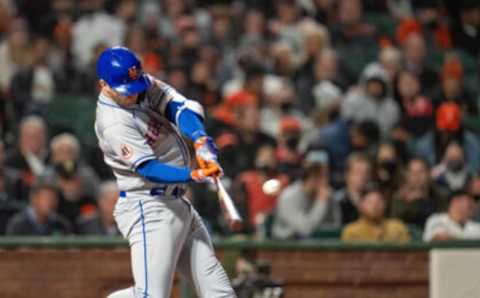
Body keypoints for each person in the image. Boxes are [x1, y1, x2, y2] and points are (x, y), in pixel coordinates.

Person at [94, 47, 235, 298]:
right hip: (149, 206)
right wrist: (194, 175)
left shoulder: (139, 82)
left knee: (220, 294)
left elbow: (177, 107)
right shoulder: (113, 121)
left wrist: (199, 139)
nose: (133, 94)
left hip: (176, 202)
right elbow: (149, 169)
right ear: (104, 84)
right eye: (126, 90)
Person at [272, 150, 341, 239]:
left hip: (316, 247)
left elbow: (336, 225)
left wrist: (328, 201)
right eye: (316, 174)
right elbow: (305, 229)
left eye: (324, 175)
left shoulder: (327, 195)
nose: (322, 180)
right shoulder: (289, 197)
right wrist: (321, 201)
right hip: (283, 248)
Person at [341, 183, 411, 243]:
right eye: (370, 202)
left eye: (379, 201)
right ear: (361, 205)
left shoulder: (398, 228)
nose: (375, 206)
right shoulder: (351, 232)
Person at [391, 158, 448, 228]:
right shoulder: (399, 197)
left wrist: (423, 201)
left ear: (428, 173)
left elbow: (443, 221)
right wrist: (412, 204)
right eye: (413, 173)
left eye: (421, 172)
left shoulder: (440, 195)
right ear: (407, 176)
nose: (417, 176)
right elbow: (395, 222)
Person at [5, 182, 72, 236]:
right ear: (34, 199)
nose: (51, 203)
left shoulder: (61, 224)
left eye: (54, 199)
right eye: (46, 199)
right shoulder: (18, 224)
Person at [334, 153, 372, 225]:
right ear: (347, 175)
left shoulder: (374, 201)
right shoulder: (336, 200)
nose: (363, 177)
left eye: (366, 173)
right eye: (358, 172)